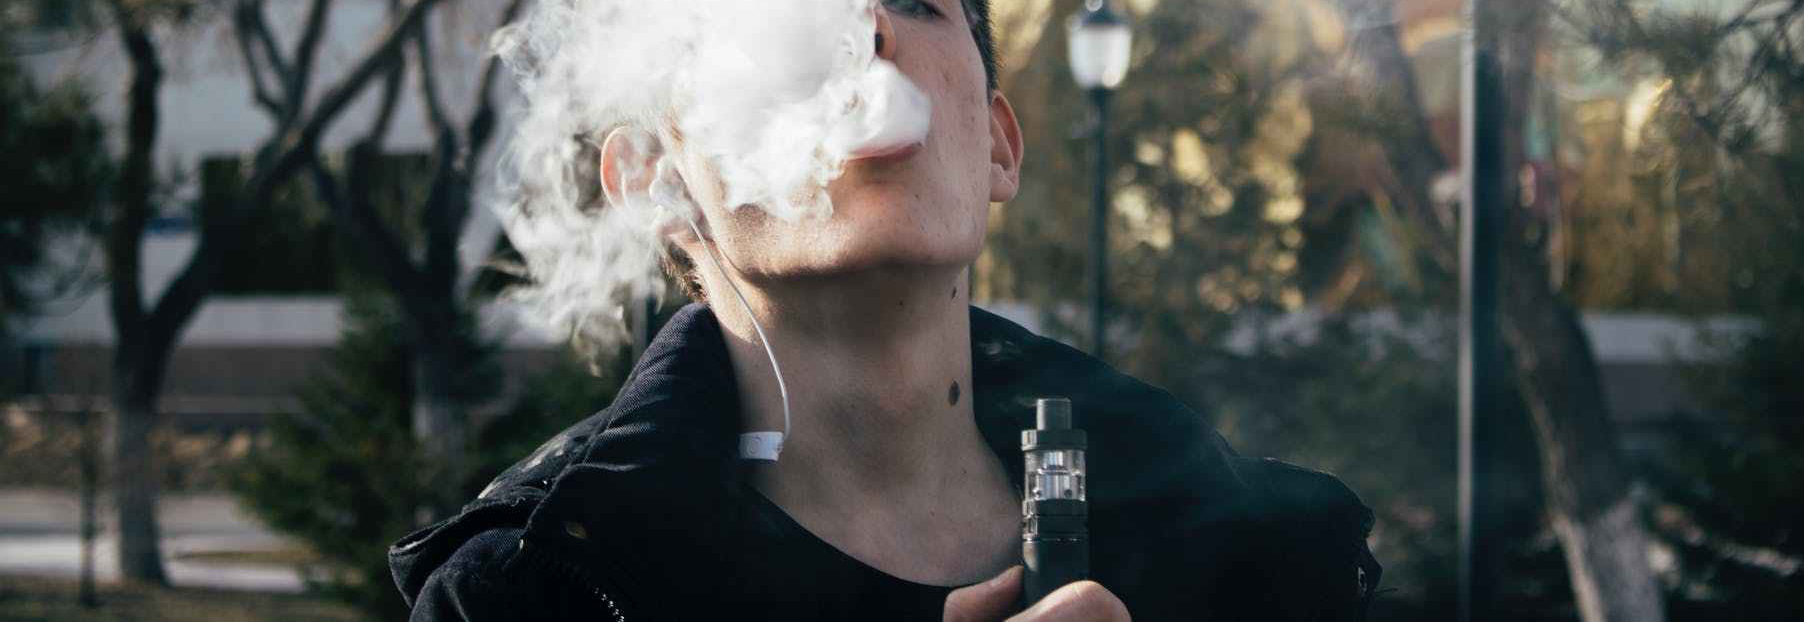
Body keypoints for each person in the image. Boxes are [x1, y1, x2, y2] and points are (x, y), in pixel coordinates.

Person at [389, 0, 1380, 619]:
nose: (863, 27)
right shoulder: (528, 594)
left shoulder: (1241, 546)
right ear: (653, 179)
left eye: (915, 0)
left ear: (997, 148)